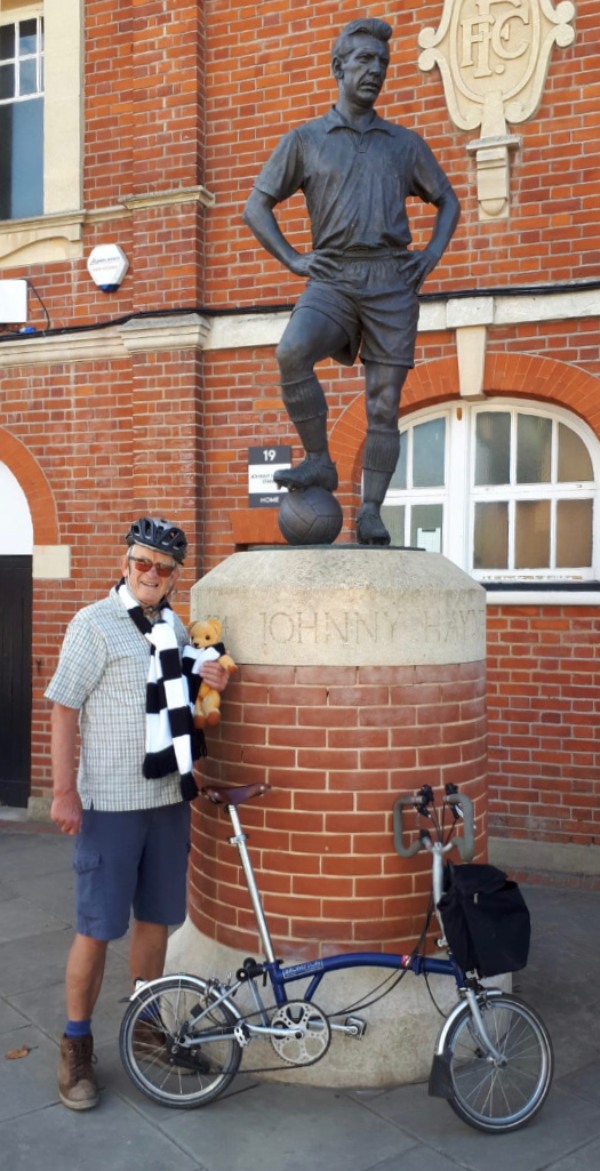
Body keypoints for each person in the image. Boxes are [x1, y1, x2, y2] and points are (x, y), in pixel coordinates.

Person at [243, 17, 460, 545]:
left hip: (391, 279)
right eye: (364, 61)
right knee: (292, 351)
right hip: (333, 275)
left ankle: (370, 512)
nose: (375, 72)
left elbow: (447, 200)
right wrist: (295, 260)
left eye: (382, 64)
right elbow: (257, 207)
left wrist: (429, 255)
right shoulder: (306, 139)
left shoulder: (403, 144)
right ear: (338, 67)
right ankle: (319, 459)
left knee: (383, 402)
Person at [46, 517, 230, 1110]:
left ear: (175, 576)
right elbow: (63, 709)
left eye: (164, 567)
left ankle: (146, 1028)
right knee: (97, 929)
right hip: (110, 805)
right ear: (125, 562)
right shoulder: (93, 624)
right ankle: (75, 1045)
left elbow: (184, 702)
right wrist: (63, 792)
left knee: (155, 924)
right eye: (142, 562)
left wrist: (208, 676)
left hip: (168, 800)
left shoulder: (174, 626)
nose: (151, 574)